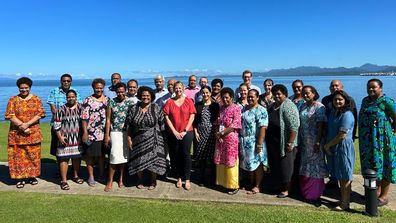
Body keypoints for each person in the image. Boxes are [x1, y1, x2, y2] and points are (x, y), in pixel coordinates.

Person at [359, 78, 396, 207]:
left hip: (383, 141)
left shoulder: (387, 101)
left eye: (374, 87)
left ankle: (384, 196)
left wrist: (390, 133)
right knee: (372, 166)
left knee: (385, 166)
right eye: (369, 87)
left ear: (380, 88)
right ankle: (374, 192)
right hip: (367, 142)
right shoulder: (365, 101)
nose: (371, 89)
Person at [5, 77, 45, 188]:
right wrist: (22, 126)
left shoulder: (36, 99)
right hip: (17, 134)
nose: (24, 90)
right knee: (18, 157)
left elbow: (40, 113)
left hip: (33, 133)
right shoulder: (13, 99)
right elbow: (10, 115)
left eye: (26, 88)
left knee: (33, 156)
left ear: (30, 88)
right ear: (18, 88)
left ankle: (32, 176)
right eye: (21, 88)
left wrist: (27, 124)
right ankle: (20, 178)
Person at [126, 86, 167, 190]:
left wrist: (164, 138)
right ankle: (140, 179)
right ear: (140, 96)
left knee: (154, 160)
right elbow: (128, 125)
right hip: (137, 138)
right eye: (143, 95)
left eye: (148, 95)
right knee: (138, 159)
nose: (145, 97)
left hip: (154, 138)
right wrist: (129, 138)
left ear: (151, 96)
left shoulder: (156, 107)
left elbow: (162, 124)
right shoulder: (133, 108)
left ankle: (153, 181)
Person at [321, 80, 358, 189]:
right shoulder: (325, 100)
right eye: (332, 86)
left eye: (337, 85)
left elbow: (353, 119)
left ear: (341, 87)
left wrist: (352, 135)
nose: (334, 87)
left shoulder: (349, 101)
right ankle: (333, 180)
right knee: (331, 160)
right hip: (329, 133)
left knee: (343, 165)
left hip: (342, 135)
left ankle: (346, 191)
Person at [266, 84, 300, 198]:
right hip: (273, 142)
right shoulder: (272, 106)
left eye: (279, 94)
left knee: (286, 166)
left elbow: (294, 126)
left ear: (285, 94)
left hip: (285, 142)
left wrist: (290, 143)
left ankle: (287, 189)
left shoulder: (288, 106)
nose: (276, 96)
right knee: (276, 165)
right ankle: (278, 185)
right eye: (275, 93)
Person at [324, 90, 355, 211]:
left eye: (340, 99)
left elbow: (342, 134)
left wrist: (327, 146)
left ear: (346, 101)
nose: (337, 101)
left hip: (343, 147)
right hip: (334, 146)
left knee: (345, 176)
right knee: (339, 174)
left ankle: (345, 203)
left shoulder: (347, 115)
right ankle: (342, 199)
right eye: (335, 99)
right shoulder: (333, 112)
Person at [163, 81, 196, 190]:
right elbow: (166, 118)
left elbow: (192, 116)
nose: (178, 90)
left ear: (183, 89)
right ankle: (179, 177)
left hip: (187, 132)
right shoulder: (169, 102)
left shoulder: (189, 101)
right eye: (176, 88)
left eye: (180, 88)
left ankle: (187, 179)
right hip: (173, 133)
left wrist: (185, 131)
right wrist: (175, 132)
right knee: (175, 155)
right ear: (173, 89)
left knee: (186, 155)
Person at [298, 86, 326, 201]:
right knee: (305, 166)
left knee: (316, 167)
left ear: (314, 94)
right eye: (304, 93)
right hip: (305, 141)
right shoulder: (303, 106)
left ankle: (314, 192)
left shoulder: (320, 107)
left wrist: (318, 141)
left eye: (308, 93)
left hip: (315, 141)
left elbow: (321, 125)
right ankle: (305, 191)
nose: (305, 95)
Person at [104, 83, 133, 192]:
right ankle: (110, 180)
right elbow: (108, 119)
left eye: (122, 91)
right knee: (113, 157)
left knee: (124, 157)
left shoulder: (130, 102)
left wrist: (130, 136)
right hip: (115, 132)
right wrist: (107, 134)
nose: (120, 93)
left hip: (126, 132)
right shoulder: (111, 101)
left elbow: (131, 120)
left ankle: (121, 179)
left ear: (125, 91)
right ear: (116, 92)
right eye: (118, 91)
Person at [81, 78, 109, 187]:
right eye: (97, 88)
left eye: (101, 88)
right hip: (90, 133)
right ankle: (91, 176)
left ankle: (101, 174)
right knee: (89, 156)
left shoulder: (107, 100)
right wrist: (85, 132)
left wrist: (107, 133)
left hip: (103, 133)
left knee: (102, 155)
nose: (99, 90)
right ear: (93, 88)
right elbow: (84, 118)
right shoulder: (88, 100)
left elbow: (108, 117)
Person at [53, 89, 84, 190]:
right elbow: (56, 125)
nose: (71, 98)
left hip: (77, 139)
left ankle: (75, 176)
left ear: (76, 97)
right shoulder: (61, 109)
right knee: (63, 159)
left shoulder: (81, 107)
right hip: (64, 139)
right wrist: (60, 137)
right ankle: (64, 180)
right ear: (66, 98)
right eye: (69, 97)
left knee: (76, 158)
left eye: (72, 96)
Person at [240, 89, 268, 194]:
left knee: (257, 164)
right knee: (248, 163)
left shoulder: (261, 110)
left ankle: (257, 185)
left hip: (255, 141)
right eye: (249, 96)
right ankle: (251, 182)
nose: (250, 98)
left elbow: (263, 128)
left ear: (257, 97)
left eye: (252, 97)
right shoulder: (244, 109)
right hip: (244, 140)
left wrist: (259, 144)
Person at [47, 74, 82, 160]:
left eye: (68, 81)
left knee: (75, 149)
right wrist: (63, 118)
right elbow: (53, 108)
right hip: (58, 124)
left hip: (74, 125)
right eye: (64, 81)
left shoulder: (75, 92)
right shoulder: (54, 91)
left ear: (71, 82)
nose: (66, 82)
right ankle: (60, 170)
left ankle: (73, 170)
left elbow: (79, 106)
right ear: (61, 81)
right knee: (58, 148)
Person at [214, 87, 242, 195]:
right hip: (220, 139)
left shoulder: (236, 108)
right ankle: (222, 183)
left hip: (231, 139)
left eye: (227, 97)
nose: (225, 99)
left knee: (230, 161)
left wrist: (222, 133)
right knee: (221, 160)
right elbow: (217, 122)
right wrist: (218, 135)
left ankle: (233, 185)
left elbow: (236, 124)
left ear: (231, 97)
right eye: (223, 97)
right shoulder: (221, 108)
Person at [193, 86, 220, 186]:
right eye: (203, 93)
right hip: (200, 133)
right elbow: (195, 121)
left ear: (210, 93)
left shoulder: (215, 106)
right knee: (201, 156)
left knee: (212, 157)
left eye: (207, 92)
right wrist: (195, 132)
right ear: (201, 94)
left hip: (212, 133)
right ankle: (201, 179)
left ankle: (213, 179)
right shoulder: (197, 105)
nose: (205, 94)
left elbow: (218, 120)